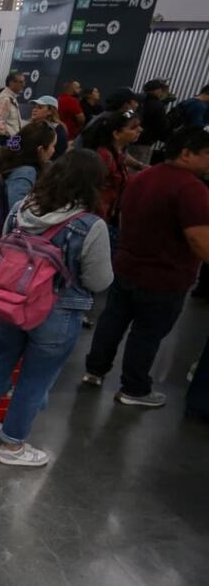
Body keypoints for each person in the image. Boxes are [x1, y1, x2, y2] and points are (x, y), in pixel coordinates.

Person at [0, 150, 113, 466]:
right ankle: (12, 446)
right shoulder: (90, 226)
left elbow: (6, 246)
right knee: (35, 379)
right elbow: (99, 280)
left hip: (11, 302)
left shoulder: (23, 209)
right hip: (57, 312)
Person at [83, 127, 209, 407]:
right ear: (186, 154)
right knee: (147, 333)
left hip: (127, 266)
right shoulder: (192, 189)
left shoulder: (142, 178)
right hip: (165, 276)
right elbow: (198, 238)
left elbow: (123, 216)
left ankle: (94, 370)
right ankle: (134, 388)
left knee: (112, 321)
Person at [0, 122, 57, 289]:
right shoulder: (26, 172)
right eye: (52, 146)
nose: (54, 151)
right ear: (40, 149)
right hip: (6, 242)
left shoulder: (10, 159)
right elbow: (18, 212)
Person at [85, 110, 143, 234]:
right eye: (133, 127)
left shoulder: (117, 152)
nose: (140, 130)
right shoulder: (104, 156)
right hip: (95, 218)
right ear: (116, 134)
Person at [131, 79, 170, 166]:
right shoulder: (157, 105)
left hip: (127, 139)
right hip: (144, 142)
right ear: (157, 90)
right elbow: (162, 126)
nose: (162, 92)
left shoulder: (136, 100)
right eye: (161, 90)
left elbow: (125, 115)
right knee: (139, 167)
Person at [0, 71, 25, 148]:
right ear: (11, 83)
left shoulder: (11, 98)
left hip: (11, 138)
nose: (23, 85)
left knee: (13, 154)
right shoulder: (5, 99)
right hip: (5, 139)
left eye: (23, 82)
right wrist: (13, 134)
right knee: (7, 155)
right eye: (20, 82)